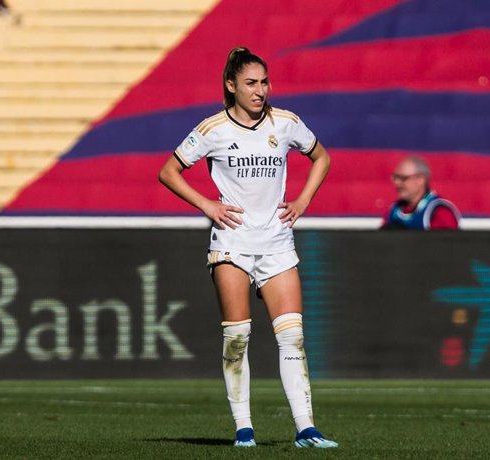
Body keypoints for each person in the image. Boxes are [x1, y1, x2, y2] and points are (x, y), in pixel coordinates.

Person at [158, 46, 338, 449]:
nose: (260, 91)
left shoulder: (286, 123)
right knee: (237, 337)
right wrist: (207, 204)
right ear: (231, 85)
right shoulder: (212, 130)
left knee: (292, 337)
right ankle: (244, 430)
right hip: (233, 244)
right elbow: (168, 171)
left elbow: (321, 158)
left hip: (276, 242)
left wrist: (304, 200)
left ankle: (306, 429)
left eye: (264, 82)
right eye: (251, 83)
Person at [381, 156, 461, 230]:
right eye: (395, 177)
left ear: (421, 180)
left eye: (403, 178)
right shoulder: (394, 210)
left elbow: (448, 244)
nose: (397, 183)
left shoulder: (439, 211)